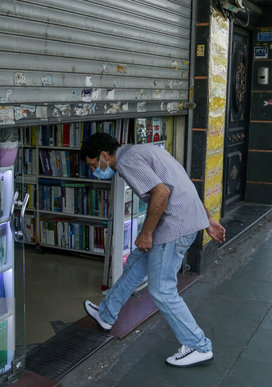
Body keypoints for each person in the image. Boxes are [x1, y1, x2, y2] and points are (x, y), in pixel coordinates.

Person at [80, 132, 226, 367]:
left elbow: (162, 192)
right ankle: (106, 315)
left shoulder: (127, 161)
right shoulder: (144, 150)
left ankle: (199, 346)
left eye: (94, 163)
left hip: (174, 227)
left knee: (161, 290)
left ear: (104, 154)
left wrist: (146, 233)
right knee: (135, 267)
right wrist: (206, 219)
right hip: (182, 220)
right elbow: (182, 183)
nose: (95, 169)